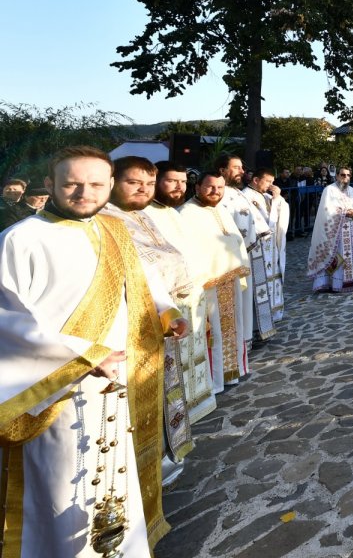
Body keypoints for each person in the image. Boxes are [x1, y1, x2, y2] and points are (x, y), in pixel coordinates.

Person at [0, 146, 186, 557]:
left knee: (116, 482)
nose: (85, 192)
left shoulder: (114, 230)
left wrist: (166, 313)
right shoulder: (18, 240)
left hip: (118, 381)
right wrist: (82, 357)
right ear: (50, 185)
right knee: (62, 486)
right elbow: (7, 319)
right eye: (72, 183)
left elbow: (142, 281)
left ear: (109, 186)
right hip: (54, 392)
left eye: (97, 184)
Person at [104, 156, 198, 481]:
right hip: (126, 327)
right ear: (112, 180)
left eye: (147, 183)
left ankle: (161, 459)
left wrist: (169, 309)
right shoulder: (104, 219)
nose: (143, 190)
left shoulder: (138, 215)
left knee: (159, 394)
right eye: (134, 183)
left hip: (157, 319)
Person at [149, 161, 217, 423]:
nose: (179, 187)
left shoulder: (172, 213)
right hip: (169, 301)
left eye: (183, 182)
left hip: (193, 296)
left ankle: (195, 402)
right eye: (171, 181)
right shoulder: (146, 214)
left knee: (194, 352)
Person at [178, 171, 252, 390]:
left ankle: (233, 372)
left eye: (220, 188)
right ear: (197, 187)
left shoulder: (220, 209)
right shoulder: (186, 213)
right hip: (208, 284)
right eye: (210, 187)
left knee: (233, 327)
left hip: (229, 280)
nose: (215, 191)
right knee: (214, 334)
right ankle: (216, 380)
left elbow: (234, 240)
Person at [216, 154, 273, 343]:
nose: (242, 171)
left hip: (250, 252)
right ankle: (240, 341)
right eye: (236, 167)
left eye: (242, 167)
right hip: (232, 257)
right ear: (222, 170)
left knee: (248, 300)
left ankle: (250, 335)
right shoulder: (218, 194)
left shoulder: (237, 192)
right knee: (238, 303)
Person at [243, 167, 290, 324]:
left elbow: (279, 212)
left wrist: (278, 200)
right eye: (268, 181)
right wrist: (276, 200)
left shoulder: (263, 195)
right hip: (259, 247)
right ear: (256, 180)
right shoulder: (247, 196)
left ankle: (273, 312)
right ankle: (261, 318)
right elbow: (265, 223)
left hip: (270, 248)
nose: (271, 185)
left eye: (272, 182)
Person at [307, 167, 353, 292]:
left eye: (348, 175)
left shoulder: (352, 191)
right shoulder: (329, 190)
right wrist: (345, 212)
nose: (345, 178)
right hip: (337, 233)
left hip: (352, 231)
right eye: (342, 175)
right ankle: (335, 283)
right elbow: (327, 211)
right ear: (337, 176)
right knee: (335, 256)